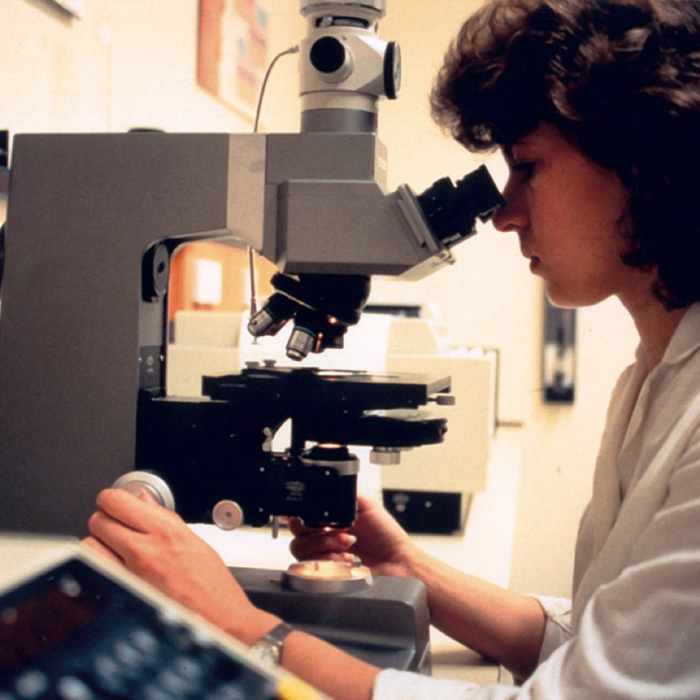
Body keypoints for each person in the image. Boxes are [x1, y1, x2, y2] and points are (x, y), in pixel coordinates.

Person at [83, 0, 700, 697]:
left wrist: (236, 625)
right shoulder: (654, 375)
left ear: (644, 159)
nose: (504, 213)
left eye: (527, 166)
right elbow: (601, 647)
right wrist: (409, 569)